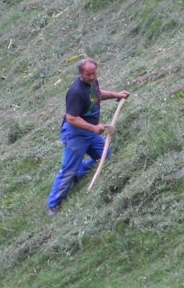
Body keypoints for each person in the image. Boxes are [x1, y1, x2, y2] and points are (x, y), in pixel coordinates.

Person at [46, 58, 130, 216]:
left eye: (94, 73)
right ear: (80, 74)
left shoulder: (93, 83)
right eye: (88, 74)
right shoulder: (75, 92)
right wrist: (93, 127)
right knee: (68, 170)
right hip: (75, 134)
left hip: (91, 132)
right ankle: (53, 204)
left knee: (105, 153)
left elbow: (97, 95)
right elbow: (71, 118)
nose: (92, 77)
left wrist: (116, 95)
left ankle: (78, 174)